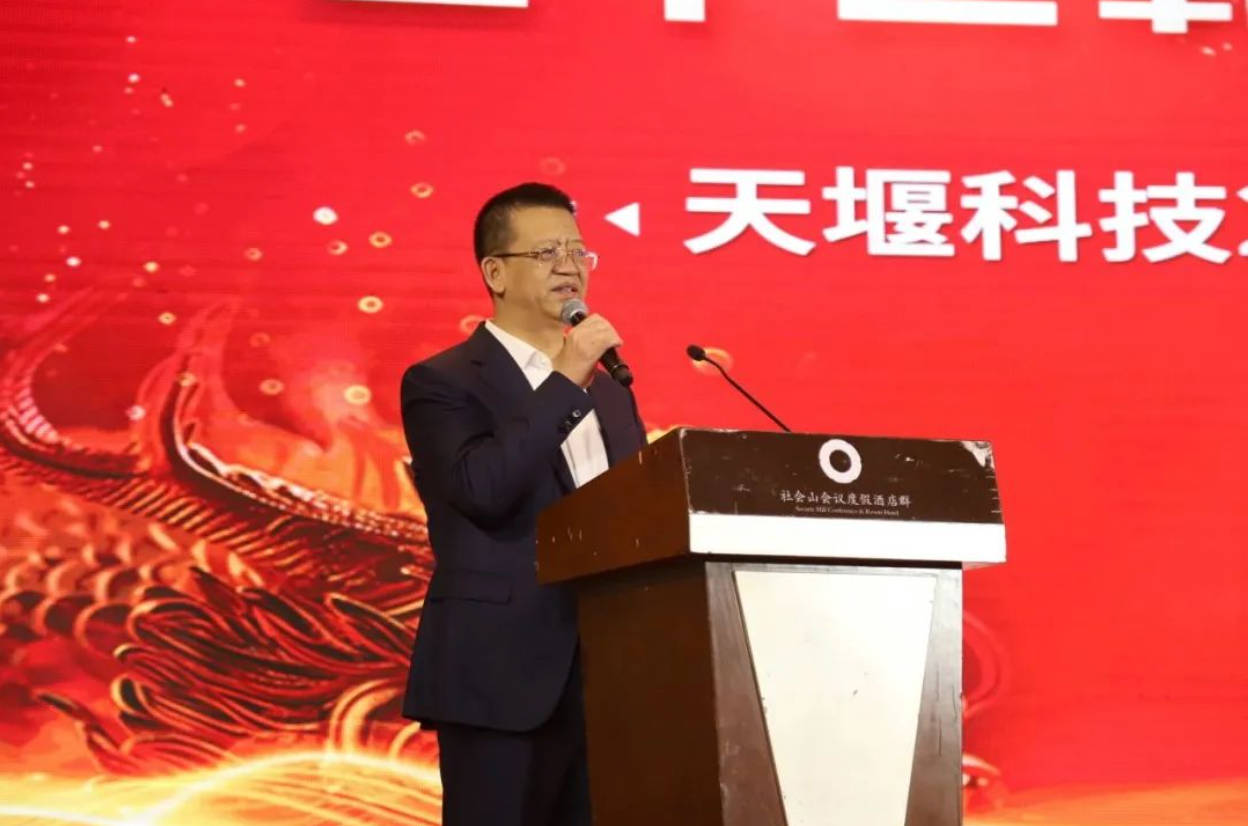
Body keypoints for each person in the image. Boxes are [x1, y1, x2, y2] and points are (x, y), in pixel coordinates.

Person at [398, 183, 647, 826]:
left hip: (610, 675)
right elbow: (482, 489)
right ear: (496, 273)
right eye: (546, 252)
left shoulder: (610, 391)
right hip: (500, 674)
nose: (569, 266)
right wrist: (565, 378)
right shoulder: (442, 382)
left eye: (578, 251)